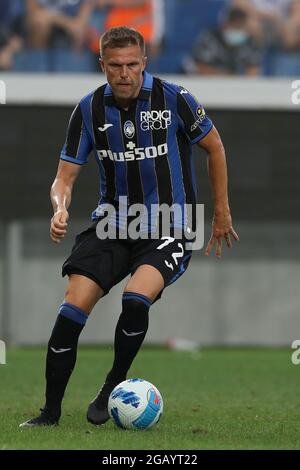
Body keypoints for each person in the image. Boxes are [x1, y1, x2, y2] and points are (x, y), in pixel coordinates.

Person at [19, 26, 239, 428]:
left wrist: (221, 211)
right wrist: (59, 208)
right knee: (71, 309)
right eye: (115, 66)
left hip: (170, 226)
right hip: (114, 224)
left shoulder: (175, 99)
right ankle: (49, 413)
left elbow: (215, 147)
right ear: (102, 65)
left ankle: (112, 387)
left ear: (144, 63)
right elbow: (64, 176)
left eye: (132, 65)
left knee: (136, 299)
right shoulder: (88, 109)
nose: (125, 73)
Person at [183, 7, 261, 76]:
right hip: (196, 81)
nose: (238, 31)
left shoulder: (249, 42)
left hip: (231, 84)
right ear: (225, 24)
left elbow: (253, 70)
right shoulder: (209, 38)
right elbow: (200, 66)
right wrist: (225, 77)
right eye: (235, 27)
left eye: (240, 27)